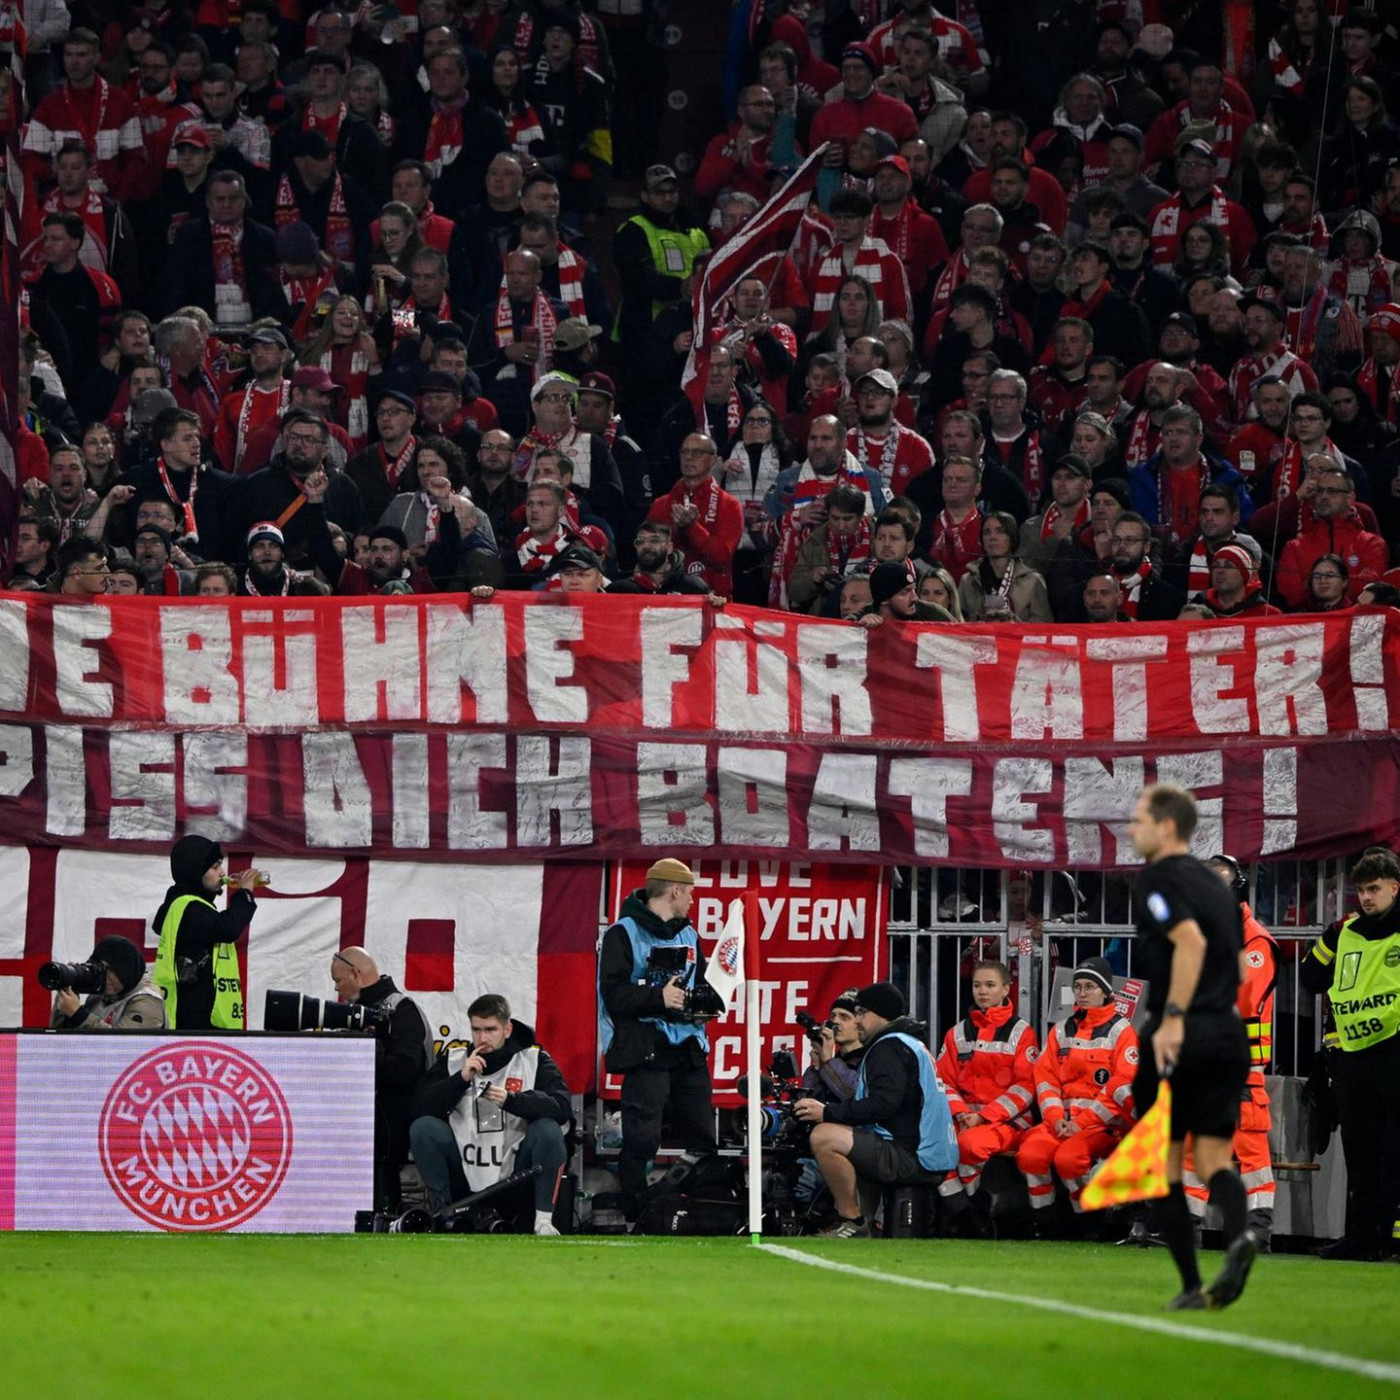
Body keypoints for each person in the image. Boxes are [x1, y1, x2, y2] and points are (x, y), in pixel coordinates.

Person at [1127, 783, 1257, 1310]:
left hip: (1183, 1033)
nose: (1132, 829)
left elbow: (1190, 942)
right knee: (1211, 1160)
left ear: (1167, 826)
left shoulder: (1156, 879)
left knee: (1164, 1164)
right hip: (1229, 1034)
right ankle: (1242, 1235)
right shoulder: (1216, 883)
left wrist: (1174, 1018)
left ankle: (1189, 1286)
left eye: (1139, 820)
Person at [598, 858, 725, 1225]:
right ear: (675, 890)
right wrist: (658, 998)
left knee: (703, 1136)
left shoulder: (689, 933)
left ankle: (700, 1209)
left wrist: (708, 1003)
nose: (692, 902)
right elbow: (613, 995)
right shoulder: (622, 933)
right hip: (646, 1048)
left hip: (687, 1046)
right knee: (642, 1138)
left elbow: (700, 982)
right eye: (690, 894)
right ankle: (637, 1212)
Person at [791, 980, 957, 1239]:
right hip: (922, 1151)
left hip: (913, 1156)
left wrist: (826, 1113)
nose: (856, 1021)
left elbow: (882, 1105)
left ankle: (851, 1219)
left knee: (824, 1136)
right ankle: (865, 1225)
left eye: (860, 1013)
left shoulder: (889, 1047)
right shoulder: (907, 1043)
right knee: (856, 1137)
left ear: (880, 1013)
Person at [1300, 848, 1400, 1261]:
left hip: (1395, 1052)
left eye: (1374, 889)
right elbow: (1310, 977)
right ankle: (1363, 1236)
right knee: (1360, 1153)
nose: (1366, 898)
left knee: (1395, 1153)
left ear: (1395, 887)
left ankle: (1392, 1235)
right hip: (1354, 1058)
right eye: (1360, 890)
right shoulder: (1342, 932)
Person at [410, 993, 573, 1234]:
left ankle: (544, 1221)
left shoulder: (532, 1059)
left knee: (547, 1129)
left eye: (490, 1029)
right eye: (476, 1030)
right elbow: (420, 1107)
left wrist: (512, 1100)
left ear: (507, 1029)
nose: (482, 1038)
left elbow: (561, 1106)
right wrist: (460, 1080)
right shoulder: (455, 1060)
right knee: (424, 1128)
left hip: (517, 1175)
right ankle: (442, 1215)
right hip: (463, 1174)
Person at [1180, 856, 1280, 1247]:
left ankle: (1257, 1229)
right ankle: (1188, 1226)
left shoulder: (1254, 940)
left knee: (1251, 1152)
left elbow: (1242, 1001)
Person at [1016, 957, 1137, 1223]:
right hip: (1060, 1122)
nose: (1082, 993)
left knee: (1069, 1159)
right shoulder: (1060, 1030)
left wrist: (1080, 1123)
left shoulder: (1122, 1031)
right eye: (1078, 987)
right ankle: (1045, 1220)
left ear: (1105, 992)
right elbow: (1045, 1080)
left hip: (1101, 1126)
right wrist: (1056, 1118)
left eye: (1089, 987)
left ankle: (1088, 1219)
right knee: (1030, 1154)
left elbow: (1120, 1087)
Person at [935, 959, 1038, 1230]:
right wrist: (962, 1113)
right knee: (932, 1147)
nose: (982, 991)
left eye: (990, 985)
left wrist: (983, 1117)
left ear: (1006, 989)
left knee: (968, 1145)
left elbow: (1025, 1087)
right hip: (964, 1120)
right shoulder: (957, 1033)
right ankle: (967, 1213)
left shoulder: (1021, 1033)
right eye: (977, 985)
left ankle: (968, 1215)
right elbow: (942, 1081)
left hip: (1006, 1123)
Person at [330, 946, 434, 1214]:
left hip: (394, 1122)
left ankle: (388, 1211)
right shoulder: (361, 1012)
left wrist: (355, 1060)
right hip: (366, 1121)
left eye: (338, 980)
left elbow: (405, 1070)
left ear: (355, 975)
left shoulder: (401, 1009)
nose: (336, 990)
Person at [152, 835, 264, 1030]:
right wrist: (245, 894)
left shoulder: (186, 905)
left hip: (197, 1018)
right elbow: (228, 928)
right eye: (215, 867)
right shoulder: (187, 907)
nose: (222, 873)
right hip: (195, 1022)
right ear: (195, 871)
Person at [48, 935, 166, 1031]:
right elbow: (61, 1039)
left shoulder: (148, 1001)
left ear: (125, 972)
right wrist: (66, 991)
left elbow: (124, 1046)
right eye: (98, 967)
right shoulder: (98, 996)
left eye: (109, 969)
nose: (103, 975)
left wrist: (78, 1015)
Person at [802, 988, 865, 1104]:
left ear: (860, 1024)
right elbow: (807, 1100)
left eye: (844, 1017)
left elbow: (855, 1094)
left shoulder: (870, 1059)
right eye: (832, 1016)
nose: (835, 1021)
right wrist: (818, 1066)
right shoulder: (834, 1062)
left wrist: (827, 1062)